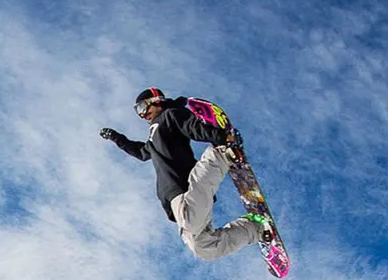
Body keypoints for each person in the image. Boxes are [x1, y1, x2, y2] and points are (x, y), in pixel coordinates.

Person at [100, 87, 272, 261]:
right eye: (138, 112)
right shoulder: (152, 139)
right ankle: (255, 229)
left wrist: (222, 137)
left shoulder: (170, 115)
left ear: (156, 100)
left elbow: (191, 126)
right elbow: (140, 152)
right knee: (203, 248)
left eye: (142, 107)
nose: (142, 114)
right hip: (173, 199)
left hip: (185, 185)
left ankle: (222, 153)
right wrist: (116, 138)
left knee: (191, 218)